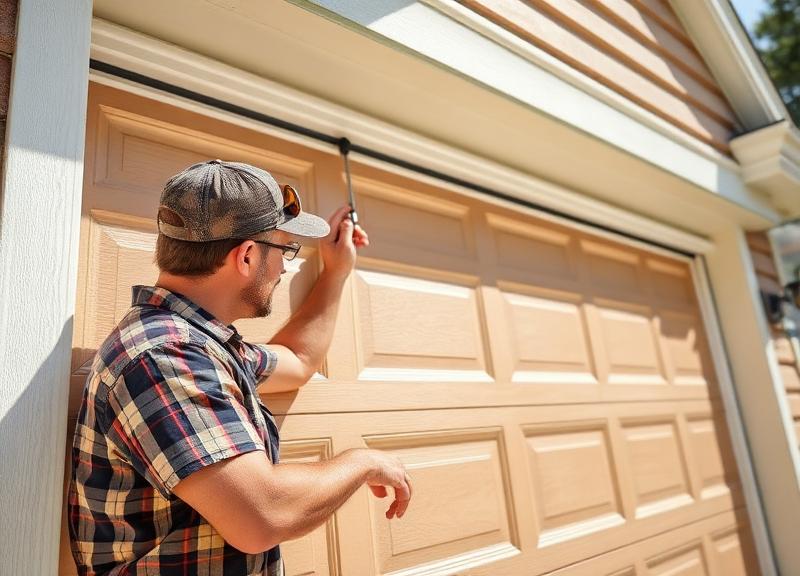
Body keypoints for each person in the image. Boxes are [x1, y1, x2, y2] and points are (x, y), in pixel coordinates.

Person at [68, 159, 412, 575]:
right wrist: (362, 462)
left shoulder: (202, 346)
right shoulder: (166, 358)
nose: (285, 267)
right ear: (247, 256)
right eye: (285, 250)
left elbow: (298, 361)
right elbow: (262, 517)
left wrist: (336, 274)